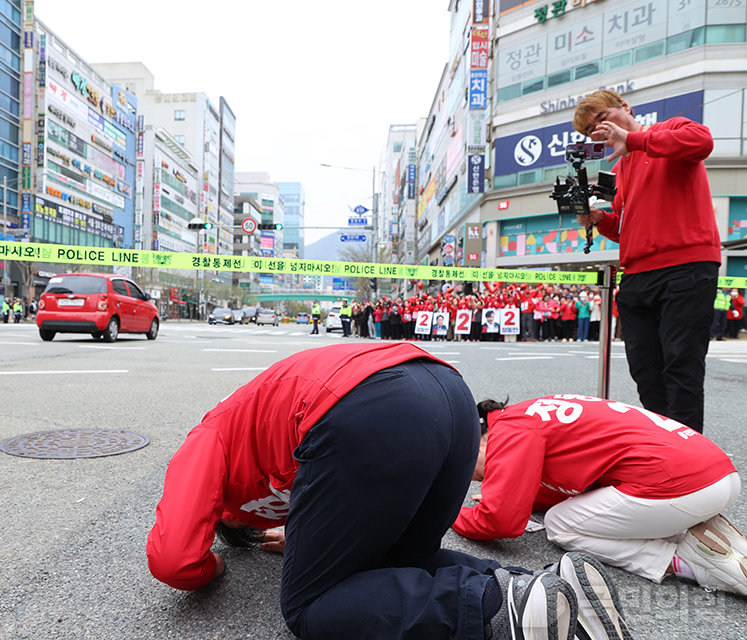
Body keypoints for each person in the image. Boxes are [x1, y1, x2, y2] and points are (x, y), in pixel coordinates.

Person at [146, 343, 628, 640]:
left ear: (220, 515)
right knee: (400, 563)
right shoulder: (257, 435)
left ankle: (502, 610)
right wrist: (308, 539)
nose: (262, 522)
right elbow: (345, 502)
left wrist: (215, 563)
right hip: (447, 396)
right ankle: (552, 590)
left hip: (368, 407)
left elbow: (172, 560)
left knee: (309, 608)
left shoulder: (207, 440)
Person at [455, 394, 747, 596]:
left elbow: (500, 522)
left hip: (680, 486)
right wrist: (511, 491)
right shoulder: (527, 413)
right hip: (718, 472)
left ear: (479, 443)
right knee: (580, 510)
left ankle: (688, 559)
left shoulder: (510, 430)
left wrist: (449, 513)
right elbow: (564, 488)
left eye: (475, 472)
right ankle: (701, 534)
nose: (480, 480)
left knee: (560, 525)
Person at [573, 89, 720, 433]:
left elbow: (702, 141)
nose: (600, 129)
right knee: (646, 372)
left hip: (686, 267)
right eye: (592, 129)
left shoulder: (669, 130)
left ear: (624, 107)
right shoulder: (622, 165)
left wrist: (635, 139)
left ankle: (689, 463)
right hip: (637, 275)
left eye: (602, 118)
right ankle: (668, 445)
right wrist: (599, 219)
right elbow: (627, 229)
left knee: (681, 367)